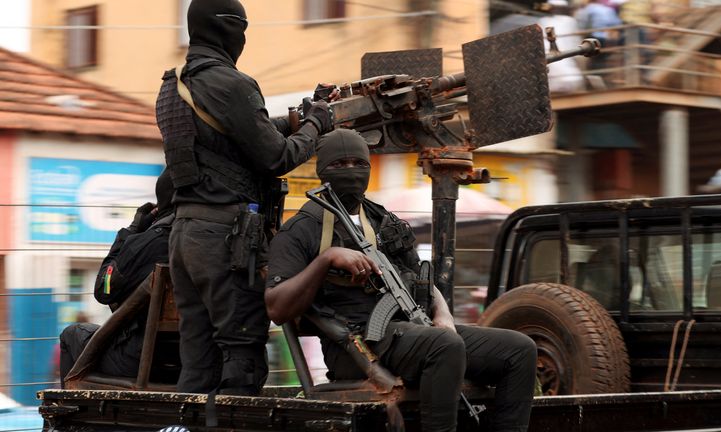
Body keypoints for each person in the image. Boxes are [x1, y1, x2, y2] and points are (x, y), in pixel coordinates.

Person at [265, 129, 538, 432]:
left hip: (413, 329)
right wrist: (326, 260)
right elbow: (277, 308)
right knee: (444, 346)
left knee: (519, 350)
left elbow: (421, 276)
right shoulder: (302, 230)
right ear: (322, 171)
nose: (351, 171)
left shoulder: (384, 220)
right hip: (354, 345)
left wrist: (442, 312)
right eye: (339, 165)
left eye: (359, 163)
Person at [155, 0, 334, 396]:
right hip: (226, 238)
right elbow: (276, 157)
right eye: (242, 29)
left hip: (185, 235)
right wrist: (316, 126)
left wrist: (294, 122)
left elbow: (222, 142)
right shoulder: (233, 83)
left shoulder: (173, 84)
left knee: (198, 358)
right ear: (228, 29)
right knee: (241, 358)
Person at [59, 170, 175, 386]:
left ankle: (71, 412)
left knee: (71, 334)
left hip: (144, 361)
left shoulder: (145, 243)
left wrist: (131, 231)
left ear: (159, 205)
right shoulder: (213, 240)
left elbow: (103, 289)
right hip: (197, 362)